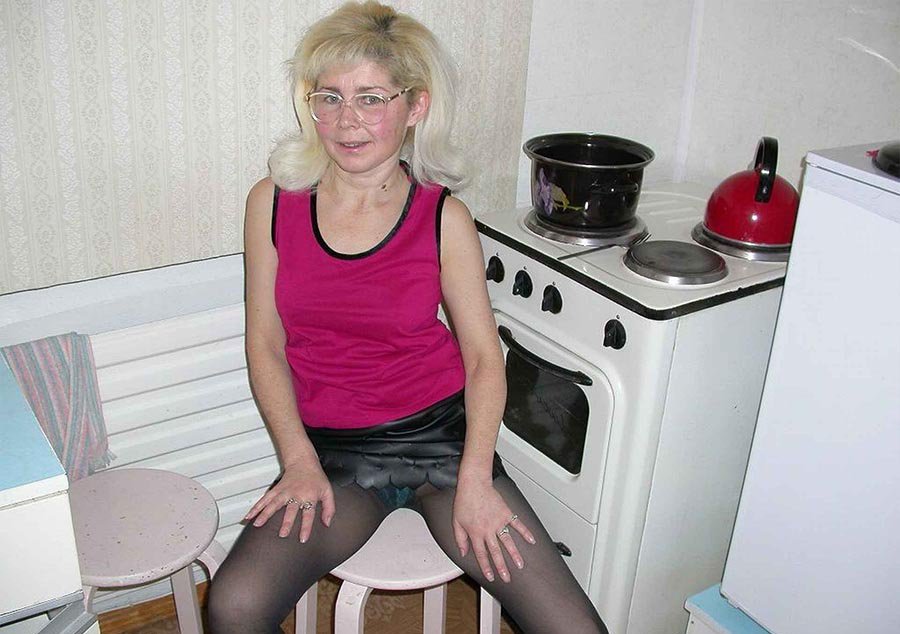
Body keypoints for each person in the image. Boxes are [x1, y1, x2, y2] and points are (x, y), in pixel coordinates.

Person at [207, 2, 608, 633]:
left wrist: (476, 479)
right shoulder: (273, 204)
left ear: (415, 106)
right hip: (334, 451)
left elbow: (484, 359)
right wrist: (297, 459)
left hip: (442, 442)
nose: (347, 120)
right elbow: (265, 344)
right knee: (233, 606)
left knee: (572, 627)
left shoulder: (444, 217)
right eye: (330, 97)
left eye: (371, 99)